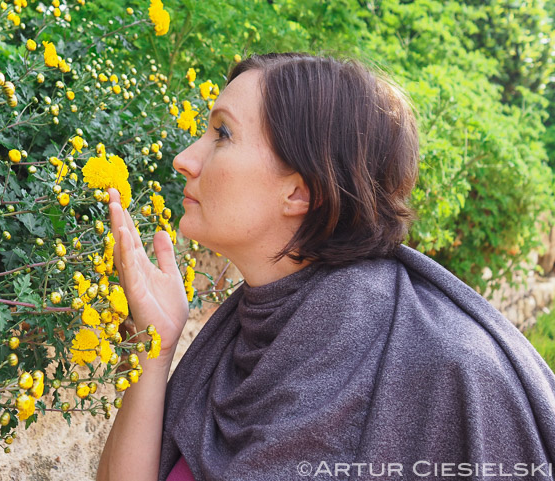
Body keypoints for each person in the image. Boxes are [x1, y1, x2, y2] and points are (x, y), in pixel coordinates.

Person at [96, 53, 555, 481]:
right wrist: (152, 348)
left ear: (299, 192)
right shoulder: (245, 334)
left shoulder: (446, 373)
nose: (184, 160)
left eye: (223, 133)